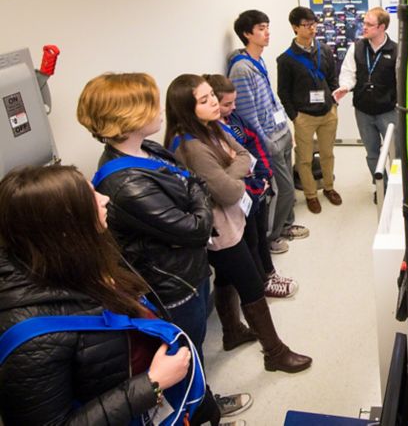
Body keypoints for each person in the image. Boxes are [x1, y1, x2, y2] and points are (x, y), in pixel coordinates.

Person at [76, 73, 251, 421]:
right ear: (129, 117)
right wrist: (199, 192)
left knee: (195, 346)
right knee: (184, 353)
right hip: (172, 288)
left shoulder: (148, 149)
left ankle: (203, 402)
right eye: (150, 103)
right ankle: (202, 410)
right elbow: (197, 227)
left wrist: (195, 190)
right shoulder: (123, 182)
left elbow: (192, 186)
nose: (159, 110)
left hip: (187, 272)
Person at [0, 165, 193, 425]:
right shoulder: (31, 340)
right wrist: (151, 385)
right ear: (64, 223)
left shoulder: (75, 264)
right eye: (91, 197)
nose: (105, 198)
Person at [165, 73, 312, 373]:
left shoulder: (211, 128)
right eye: (204, 100)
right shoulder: (189, 146)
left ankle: (232, 331)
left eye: (213, 97)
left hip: (232, 219)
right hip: (218, 229)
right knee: (252, 285)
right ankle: (274, 352)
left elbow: (244, 154)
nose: (215, 104)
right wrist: (235, 174)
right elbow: (230, 191)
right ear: (185, 108)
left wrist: (230, 170)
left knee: (228, 278)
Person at [205, 73, 298, 298]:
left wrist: (263, 176)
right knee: (250, 242)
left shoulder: (235, 120)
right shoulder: (209, 133)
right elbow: (228, 170)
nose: (233, 107)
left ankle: (269, 272)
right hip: (239, 196)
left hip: (256, 188)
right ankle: (262, 281)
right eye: (227, 104)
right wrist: (252, 184)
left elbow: (254, 144)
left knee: (259, 236)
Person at [229, 10, 309, 253]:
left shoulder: (259, 61)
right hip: (267, 140)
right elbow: (248, 115)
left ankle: (285, 225)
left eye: (267, 27)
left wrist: (286, 125)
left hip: (280, 132)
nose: (267, 33)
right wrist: (265, 144)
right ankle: (269, 237)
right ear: (246, 34)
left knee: (287, 192)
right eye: (261, 28)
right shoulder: (241, 69)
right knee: (282, 189)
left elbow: (271, 99)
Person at [276, 6, 342, 214]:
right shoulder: (286, 59)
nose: (312, 28)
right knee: (304, 159)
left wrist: (333, 103)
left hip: (328, 113)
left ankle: (329, 187)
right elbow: (283, 91)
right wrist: (294, 116)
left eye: (314, 23)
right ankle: (311, 195)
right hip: (304, 116)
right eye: (306, 25)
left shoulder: (325, 50)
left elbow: (332, 78)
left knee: (327, 154)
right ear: (295, 28)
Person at [333, 7, 398, 202]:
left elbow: (402, 82)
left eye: (369, 24)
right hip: (363, 112)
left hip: (388, 111)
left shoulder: (395, 50)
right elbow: (348, 73)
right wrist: (345, 87)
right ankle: (382, 188)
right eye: (364, 23)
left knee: (396, 152)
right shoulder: (357, 48)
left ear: (382, 27)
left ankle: (397, 188)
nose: (364, 27)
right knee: (372, 153)